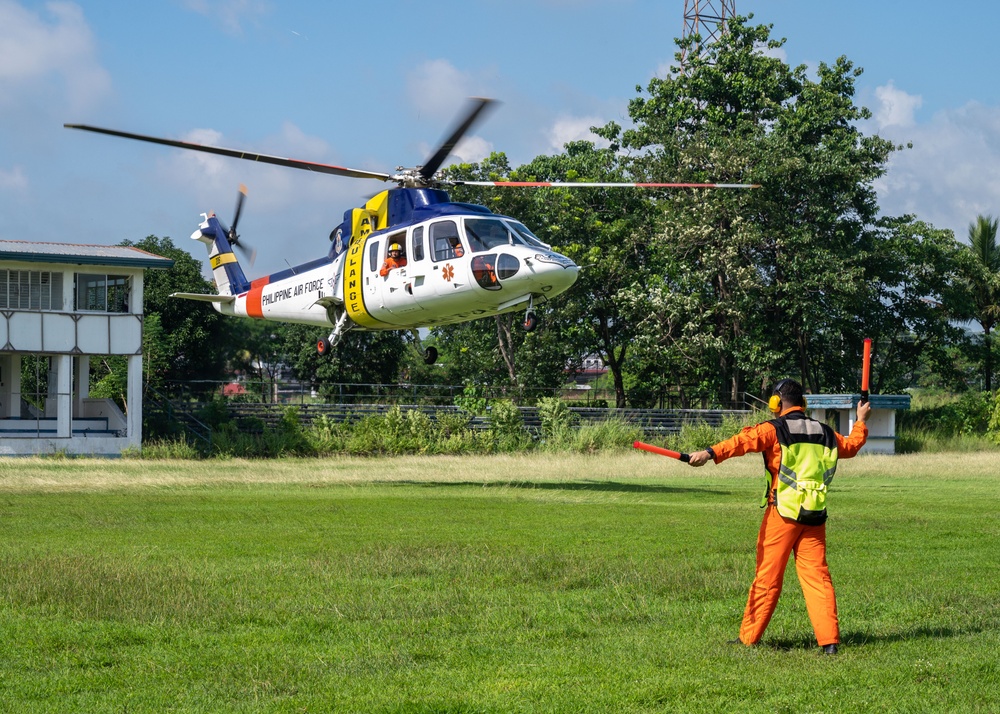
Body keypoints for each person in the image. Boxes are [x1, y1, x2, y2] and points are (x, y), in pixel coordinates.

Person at [687, 378, 871, 654]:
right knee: (817, 578)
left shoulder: (774, 429)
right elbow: (852, 446)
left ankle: (749, 638)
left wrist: (710, 453)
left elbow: (741, 442)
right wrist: (860, 420)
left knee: (767, 577)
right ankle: (829, 643)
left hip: (782, 514)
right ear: (803, 403)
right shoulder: (825, 432)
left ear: (776, 401)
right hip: (814, 515)